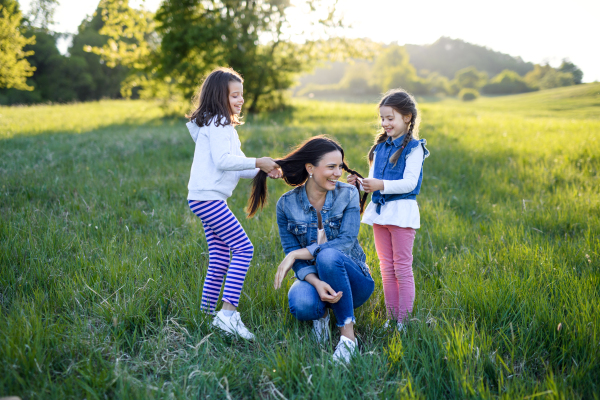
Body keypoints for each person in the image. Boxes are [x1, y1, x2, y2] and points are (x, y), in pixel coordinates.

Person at [248, 136, 374, 363]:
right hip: (315, 278)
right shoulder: (286, 205)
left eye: (340, 166)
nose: (338, 173)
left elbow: (345, 241)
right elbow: (292, 252)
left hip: (355, 281)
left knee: (326, 254)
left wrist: (297, 253)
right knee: (302, 304)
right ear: (310, 168)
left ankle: (348, 338)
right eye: (331, 167)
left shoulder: (348, 194)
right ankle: (322, 316)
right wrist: (315, 282)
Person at [186, 67, 281, 340]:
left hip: (203, 197)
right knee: (244, 248)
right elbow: (223, 162)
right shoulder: (218, 124)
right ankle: (227, 315)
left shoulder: (222, 127)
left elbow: (238, 167)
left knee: (218, 256)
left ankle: (205, 313)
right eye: (235, 95)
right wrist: (257, 161)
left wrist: (266, 169)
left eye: (242, 95)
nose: (241, 101)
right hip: (208, 198)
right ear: (219, 96)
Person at [347, 88, 430, 332]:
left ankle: (403, 321)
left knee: (402, 267)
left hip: (402, 213)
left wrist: (380, 185)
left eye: (390, 118)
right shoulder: (379, 148)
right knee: (386, 267)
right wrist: (361, 182)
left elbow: (410, 183)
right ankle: (391, 318)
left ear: (407, 117)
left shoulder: (414, 148)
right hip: (381, 212)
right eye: (382, 118)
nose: (385, 123)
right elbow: (374, 181)